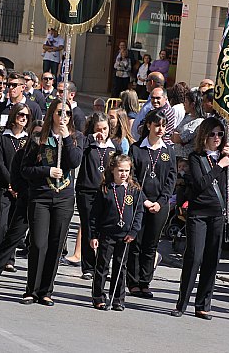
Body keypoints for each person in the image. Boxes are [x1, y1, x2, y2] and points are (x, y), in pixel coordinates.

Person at [171, 117, 229, 319]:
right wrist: (220, 165)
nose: (216, 138)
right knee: (194, 257)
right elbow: (201, 183)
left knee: (212, 260)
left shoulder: (226, 157)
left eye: (220, 134)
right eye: (212, 134)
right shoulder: (196, 157)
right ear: (204, 135)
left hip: (217, 214)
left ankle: (203, 304)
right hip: (198, 214)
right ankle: (182, 303)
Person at [21, 98, 83, 306]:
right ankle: (32, 289)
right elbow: (25, 169)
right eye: (58, 113)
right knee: (38, 243)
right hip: (41, 197)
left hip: (63, 198)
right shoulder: (39, 137)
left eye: (66, 113)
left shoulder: (76, 138)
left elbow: (74, 162)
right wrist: (46, 170)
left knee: (56, 245)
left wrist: (66, 138)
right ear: (52, 115)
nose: (62, 117)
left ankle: (46, 290)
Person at [0, 121, 43, 284]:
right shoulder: (22, 154)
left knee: (38, 242)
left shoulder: (49, 158)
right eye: (35, 135)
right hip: (24, 199)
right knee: (11, 236)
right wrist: (18, 189)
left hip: (42, 202)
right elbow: (17, 174)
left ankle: (37, 281)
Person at [127, 108, 177, 298]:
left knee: (151, 244)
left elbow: (171, 178)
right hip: (140, 202)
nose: (160, 129)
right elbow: (132, 178)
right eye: (157, 125)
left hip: (160, 205)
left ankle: (145, 281)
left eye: (163, 126)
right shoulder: (137, 149)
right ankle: (133, 281)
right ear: (148, 125)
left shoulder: (168, 150)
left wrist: (162, 201)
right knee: (136, 242)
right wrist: (145, 201)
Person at [90, 154, 144, 311]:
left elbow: (139, 212)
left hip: (125, 236)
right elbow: (94, 215)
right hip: (107, 234)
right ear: (112, 170)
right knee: (102, 266)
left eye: (127, 171)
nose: (123, 174)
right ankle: (98, 297)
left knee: (121, 267)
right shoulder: (105, 189)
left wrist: (134, 231)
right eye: (120, 170)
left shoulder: (134, 190)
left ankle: (118, 298)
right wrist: (93, 235)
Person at [74, 112, 120, 279]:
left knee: (103, 228)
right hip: (86, 191)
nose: (102, 133)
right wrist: (91, 139)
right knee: (87, 226)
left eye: (105, 129)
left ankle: (102, 264)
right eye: (98, 129)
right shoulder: (88, 143)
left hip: (106, 192)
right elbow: (77, 154)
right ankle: (88, 267)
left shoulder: (114, 146)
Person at [0, 103, 31, 267]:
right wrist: (11, 184)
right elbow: (0, 164)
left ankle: (9, 259)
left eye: (26, 116)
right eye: (20, 115)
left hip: (21, 189)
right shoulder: (1, 138)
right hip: (4, 187)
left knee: (14, 225)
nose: (23, 118)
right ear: (13, 117)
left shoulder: (28, 140)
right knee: (1, 223)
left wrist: (20, 185)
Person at [171, 90, 205, 159]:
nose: (184, 104)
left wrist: (176, 135)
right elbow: (173, 134)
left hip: (186, 158)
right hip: (176, 155)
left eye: (186, 102)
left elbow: (180, 139)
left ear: (192, 104)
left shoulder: (198, 122)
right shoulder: (187, 117)